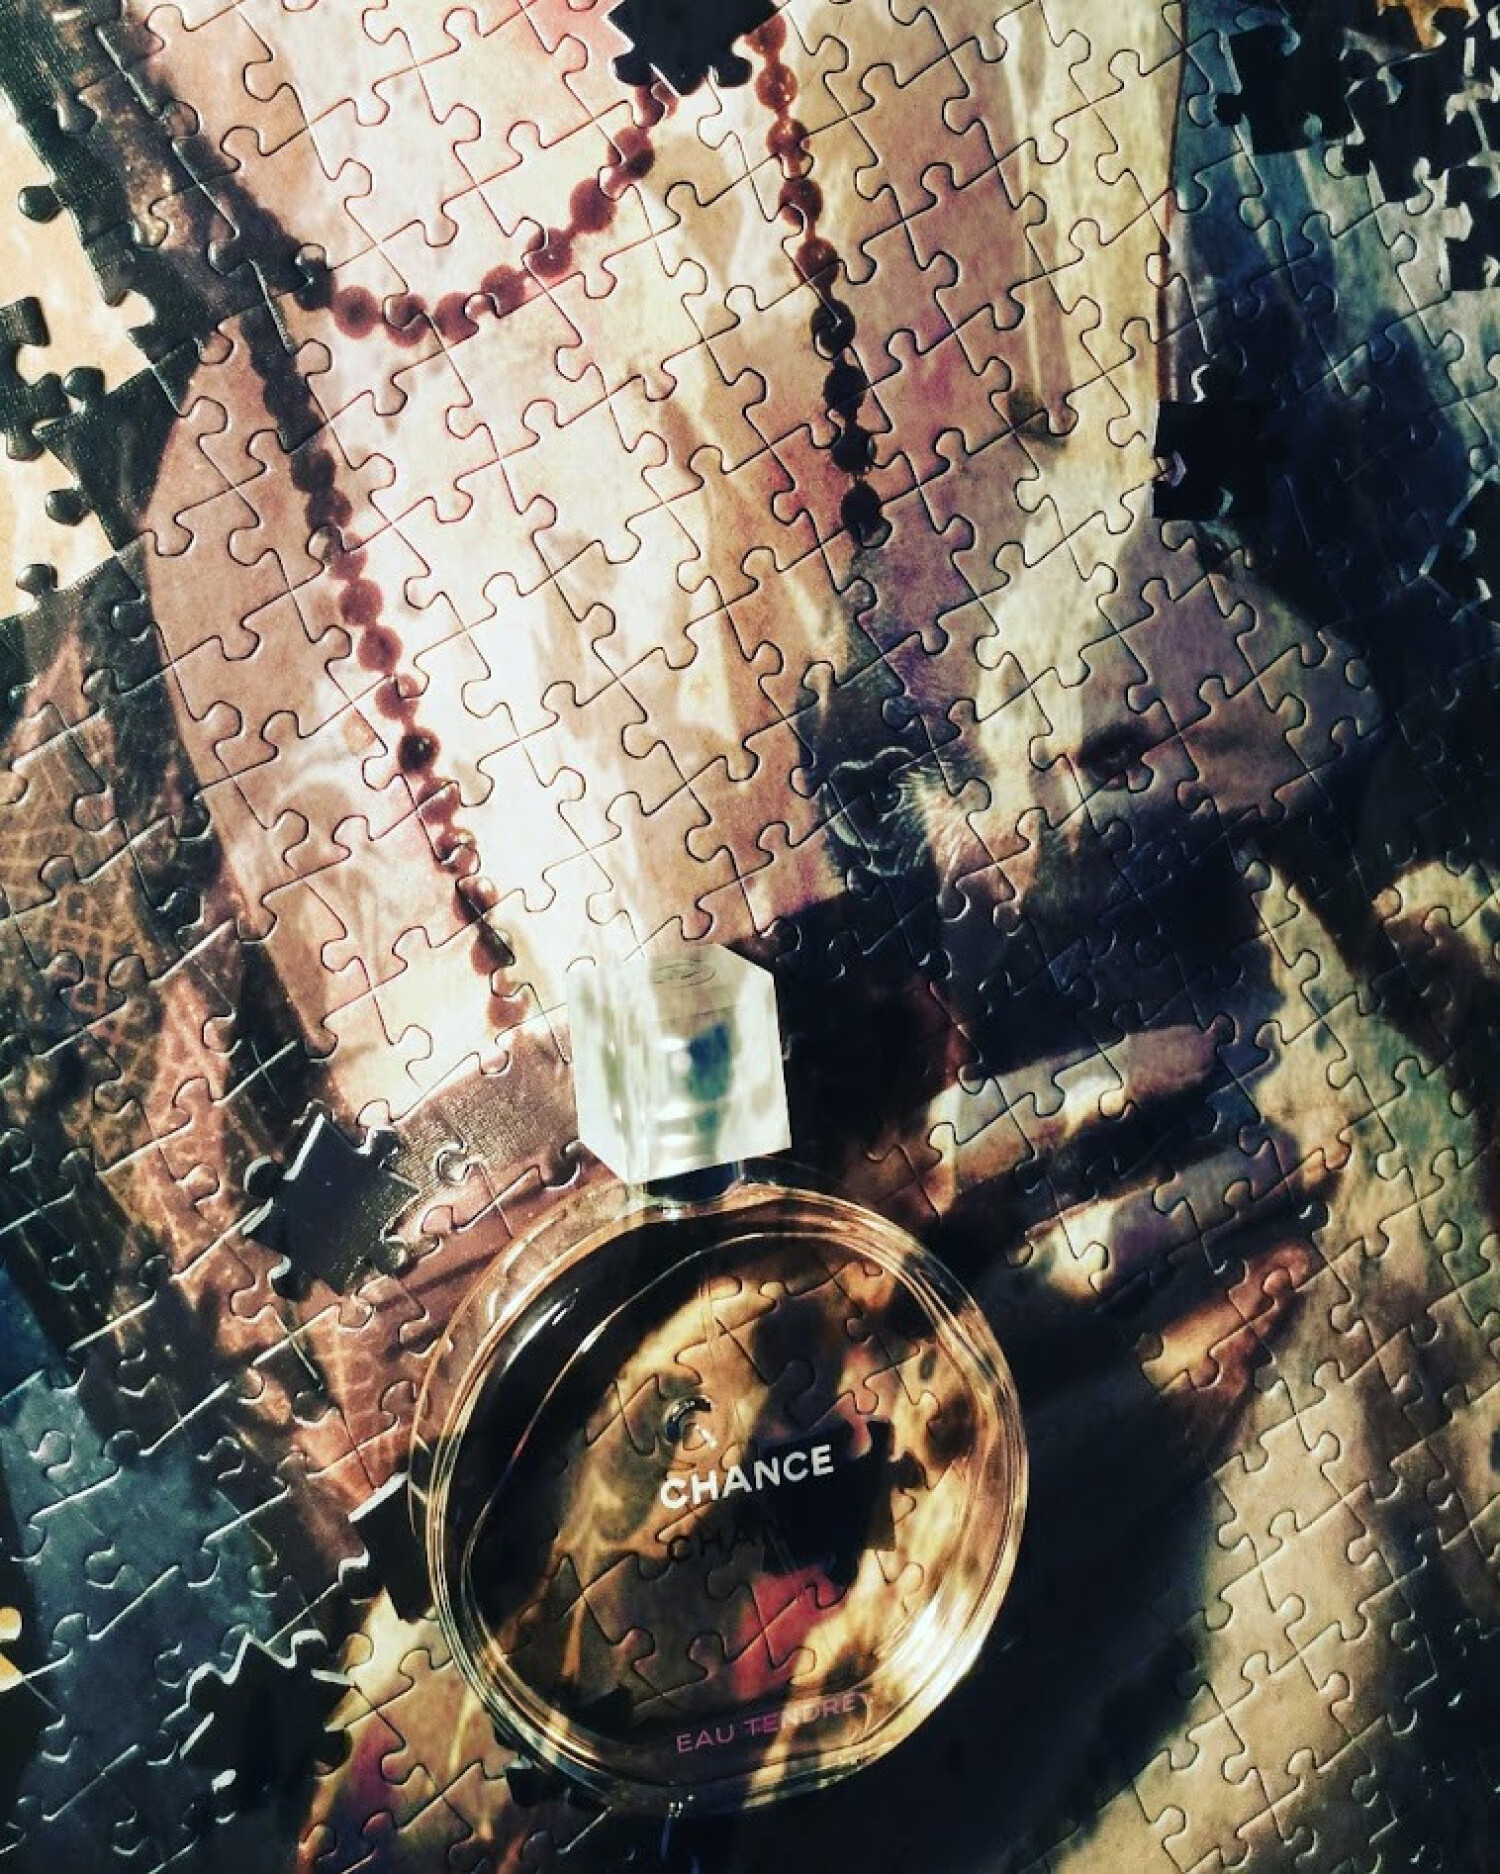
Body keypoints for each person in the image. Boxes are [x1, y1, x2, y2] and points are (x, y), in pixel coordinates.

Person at [0, 0, 1493, 1868]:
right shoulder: (240, 498)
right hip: (773, 1613)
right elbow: (480, 1363)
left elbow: (1351, 694)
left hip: (1224, 1381)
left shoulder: (959, 92)